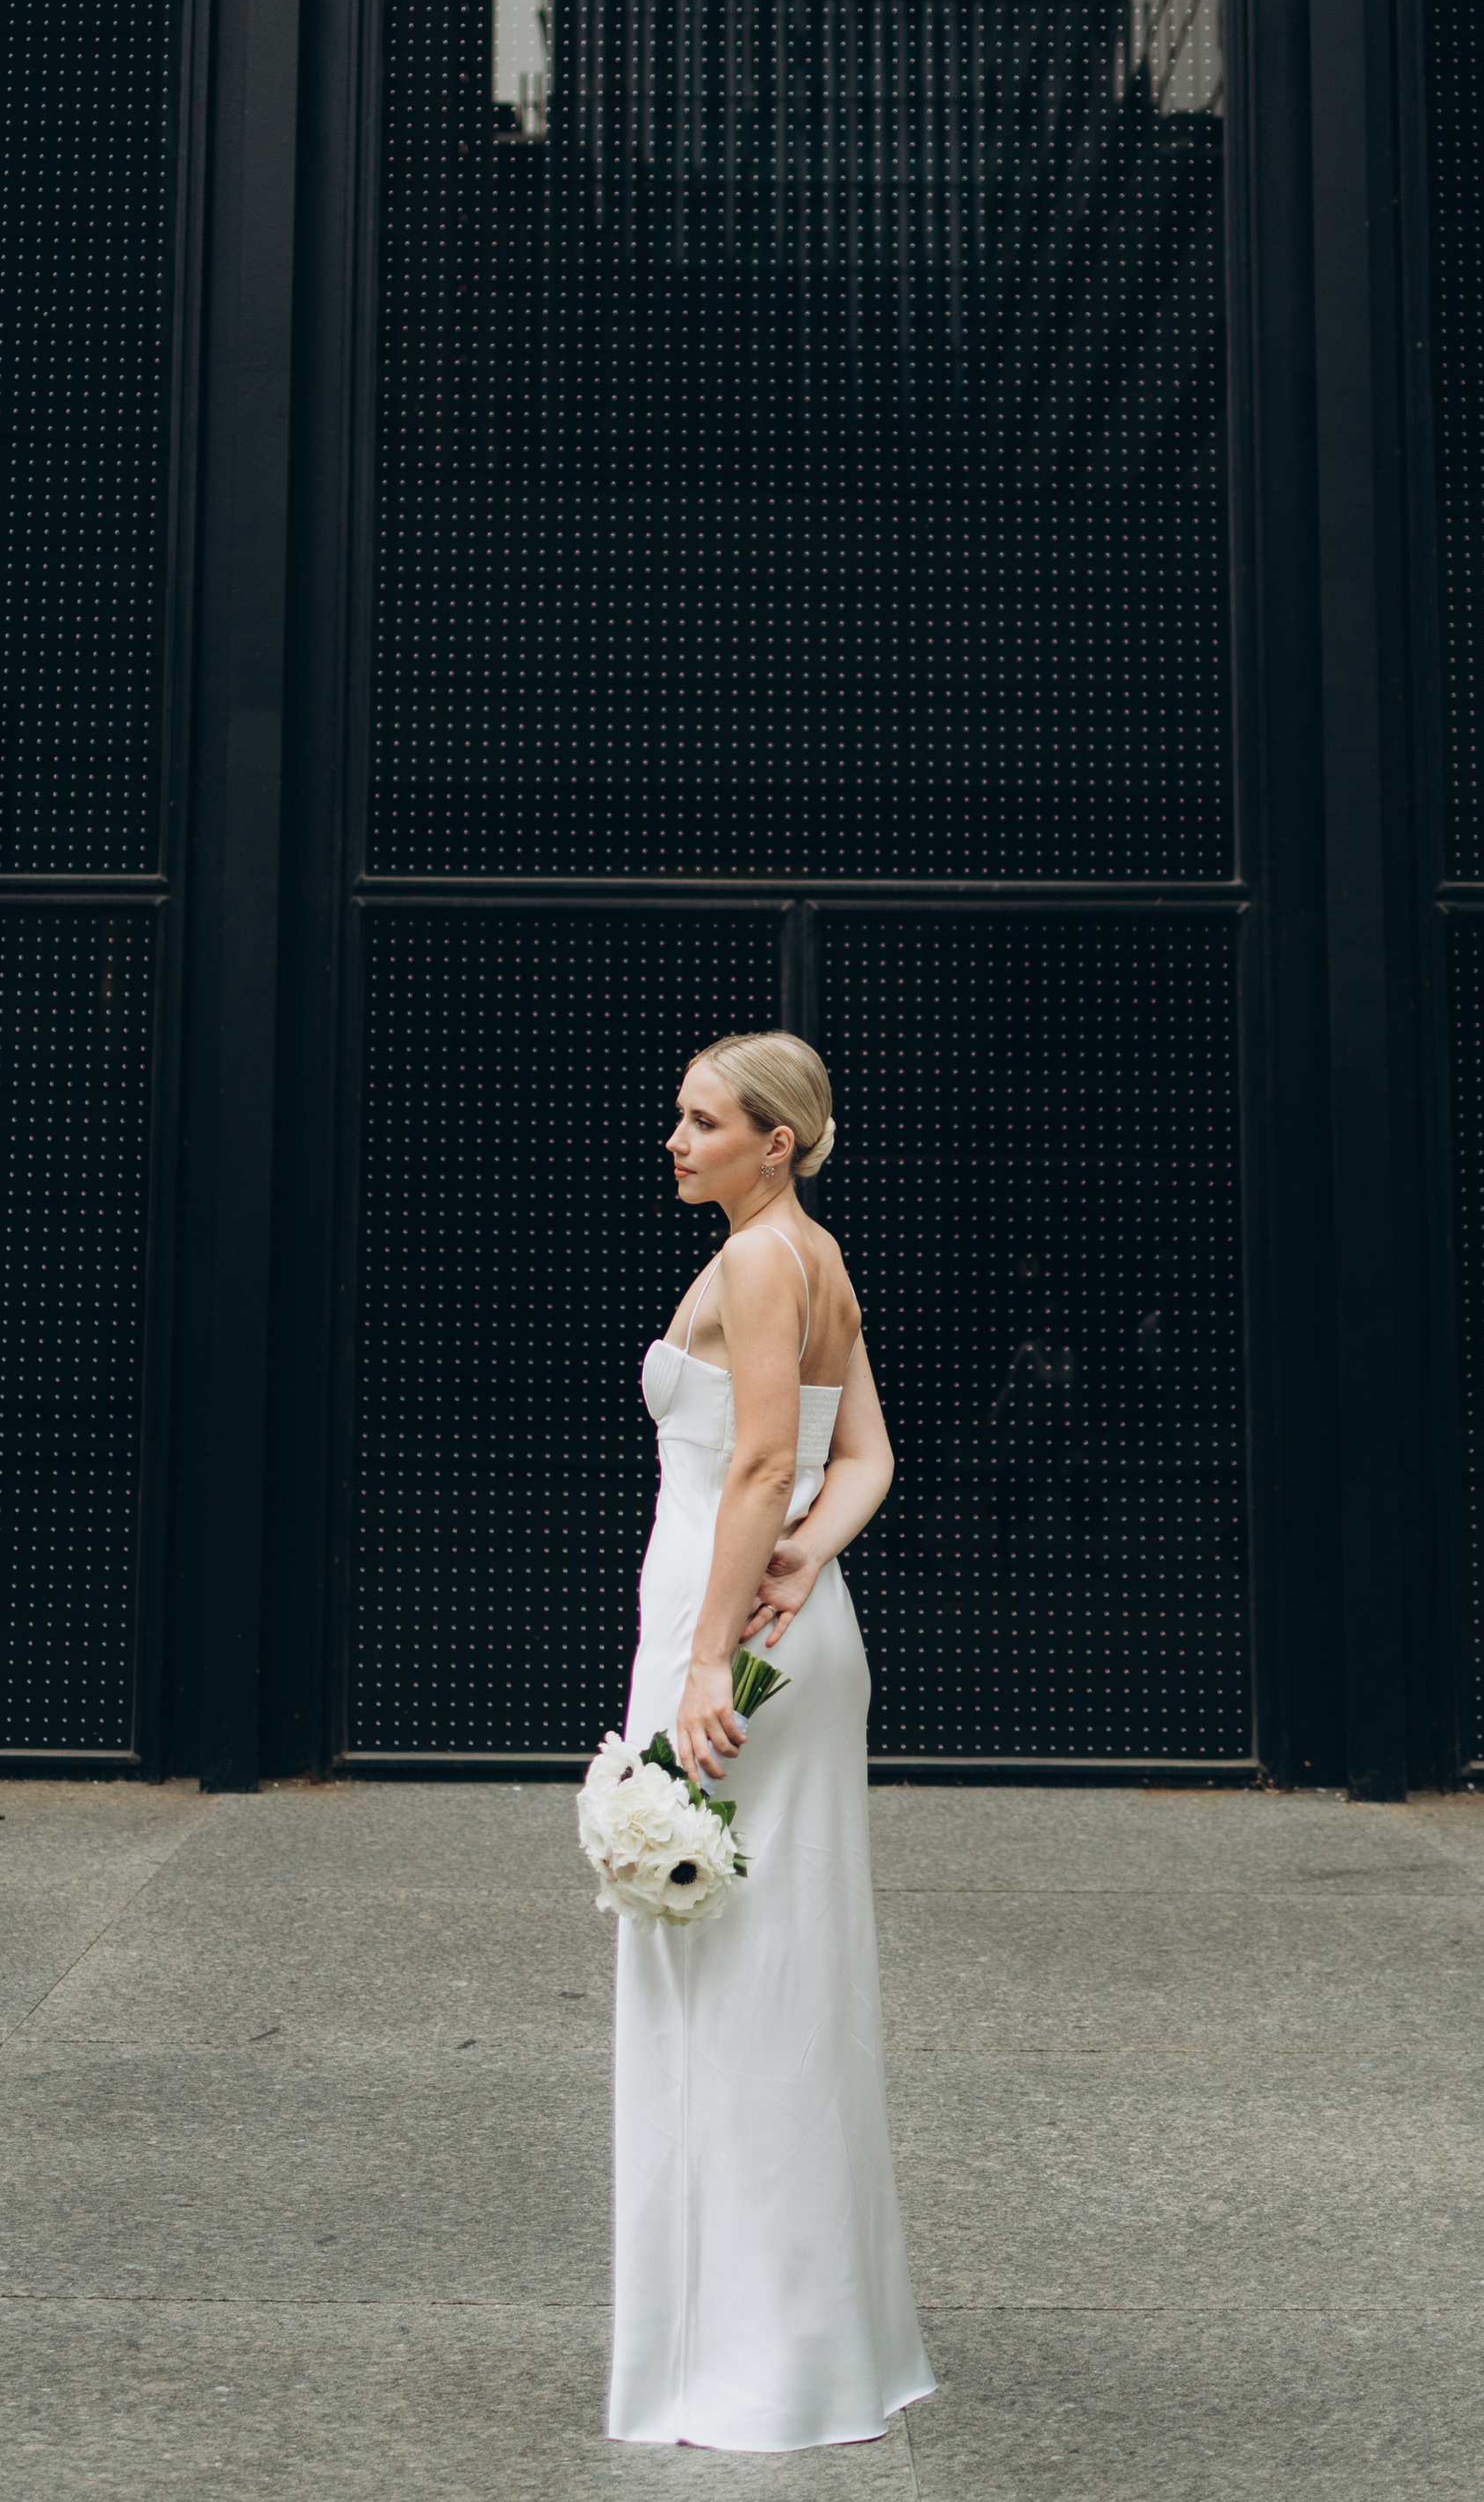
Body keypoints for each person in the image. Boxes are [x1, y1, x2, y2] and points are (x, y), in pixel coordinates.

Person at [607, 1029, 934, 2451]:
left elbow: (753, 1462)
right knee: (780, 1970)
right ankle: (806, 2343)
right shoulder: (823, 1257)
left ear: (775, 1139)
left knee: (723, 1980)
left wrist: (708, 1652)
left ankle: (732, 2363)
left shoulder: (755, 1265)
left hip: (724, 1638)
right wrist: (809, 1567)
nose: (676, 1140)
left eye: (702, 1121)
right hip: (799, 1627)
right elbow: (864, 1457)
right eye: (679, 1118)